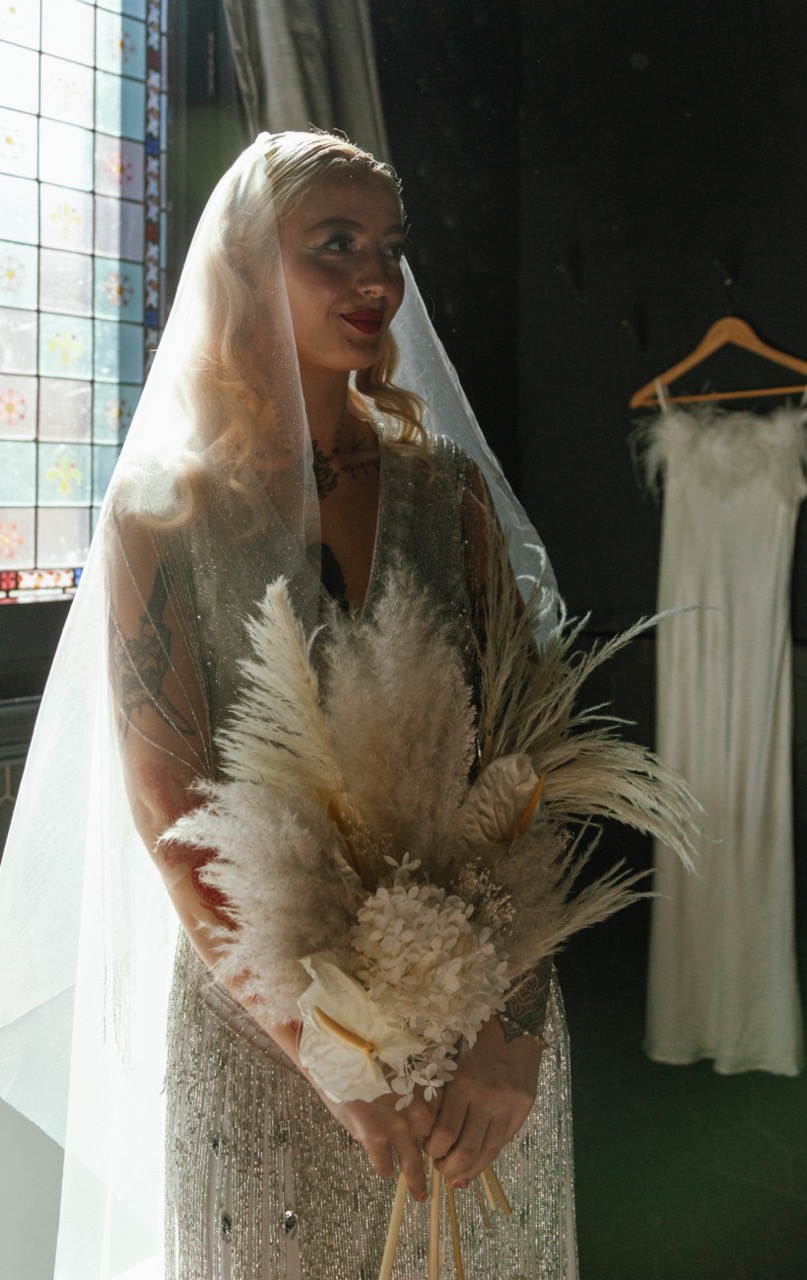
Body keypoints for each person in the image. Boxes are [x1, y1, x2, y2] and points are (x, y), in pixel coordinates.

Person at [0, 132, 575, 1279]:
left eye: (390, 249)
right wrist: (330, 1051)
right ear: (246, 267)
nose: (378, 280)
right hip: (267, 1049)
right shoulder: (162, 521)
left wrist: (515, 1026)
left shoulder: (447, 494)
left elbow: (534, 759)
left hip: (481, 1039)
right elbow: (173, 817)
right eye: (336, 245)